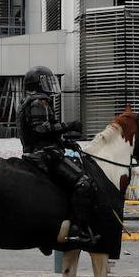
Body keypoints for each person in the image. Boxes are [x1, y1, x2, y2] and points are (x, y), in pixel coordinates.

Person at [17, 65, 98, 245]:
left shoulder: (33, 101)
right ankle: (77, 229)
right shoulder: (38, 102)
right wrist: (68, 126)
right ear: (37, 84)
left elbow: (45, 133)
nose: (50, 85)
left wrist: (64, 141)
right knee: (83, 183)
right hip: (44, 156)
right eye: (46, 82)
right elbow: (40, 129)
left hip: (43, 150)